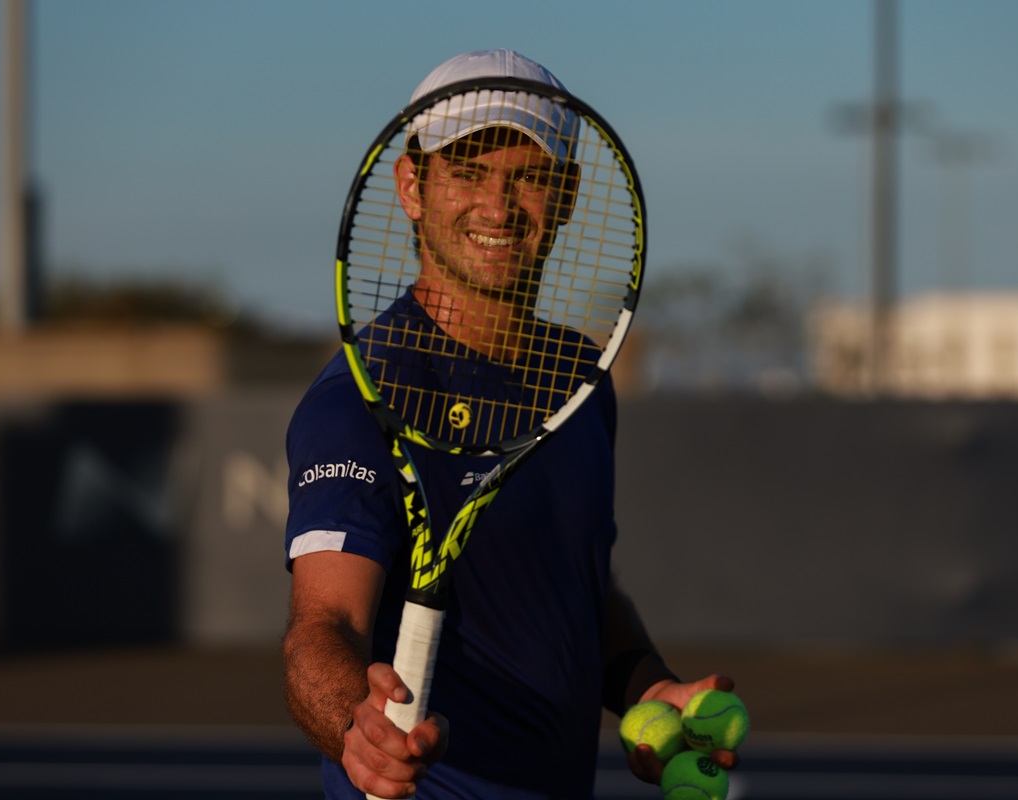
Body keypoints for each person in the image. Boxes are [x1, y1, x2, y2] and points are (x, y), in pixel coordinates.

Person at [283, 49, 738, 800]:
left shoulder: (580, 382)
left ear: (567, 196)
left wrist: (650, 689)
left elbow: (578, 589)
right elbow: (323, 625)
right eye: (467, 172)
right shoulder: (358, 399)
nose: (497, 208)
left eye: (528, 177)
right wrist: (354, 728)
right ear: (411, 186)